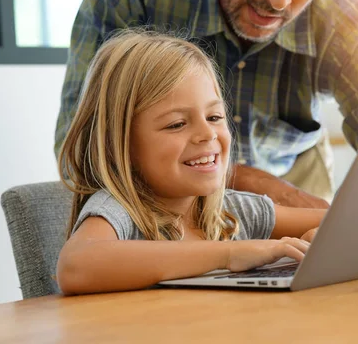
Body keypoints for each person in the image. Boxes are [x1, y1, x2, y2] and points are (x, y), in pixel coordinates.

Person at [55, 0, 358, 209]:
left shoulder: (346, 12)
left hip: (294, 183)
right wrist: (246, 181)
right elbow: (83, 151)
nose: (280, 0)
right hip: (161, 203)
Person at [57, 30, 326, 295]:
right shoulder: (120, 212)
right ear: (119, 144)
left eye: (214, 117)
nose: (208, 134)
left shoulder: (233, 211)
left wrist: (325, 239)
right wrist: (228, 254)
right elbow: (74, 267)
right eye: (177, 124)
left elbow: (346, 223)